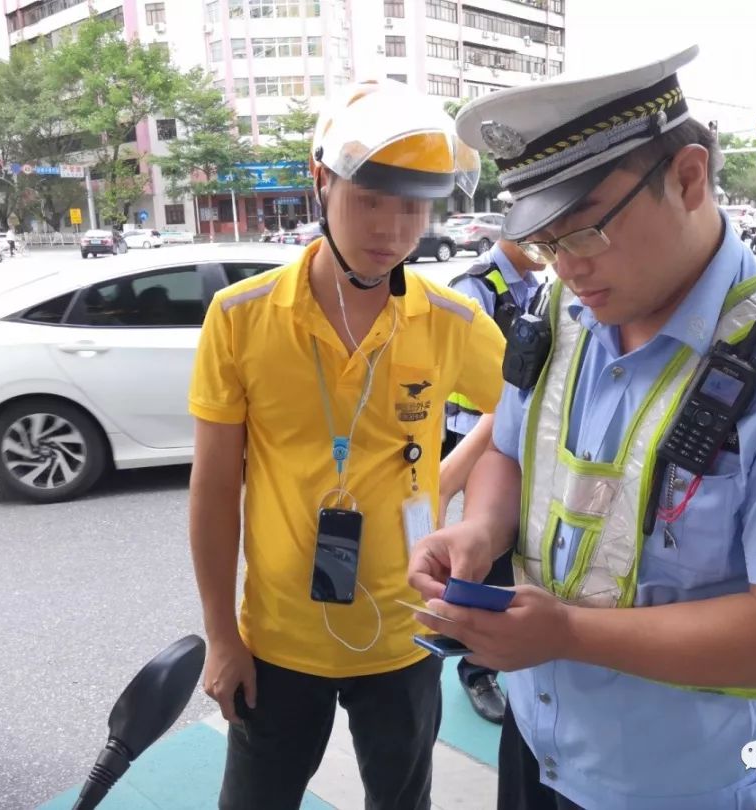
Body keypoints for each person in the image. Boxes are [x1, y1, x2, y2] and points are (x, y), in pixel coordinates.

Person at [407, 44, 756, 810]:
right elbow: (510, 453)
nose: (567, 266)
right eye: (546, 243)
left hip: (685, 784)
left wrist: (567, 635)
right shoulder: (559, 317)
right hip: (540, 741)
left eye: (585, 230)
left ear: (687, 177)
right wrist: (479, 532)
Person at [187, 79, 506, 810]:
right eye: (371, 199)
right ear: (321, 180)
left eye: (413, 207)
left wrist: (453, 473)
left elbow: (529, 407)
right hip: (276, 639)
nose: (393, 230)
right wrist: (221, 635)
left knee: (401, 800)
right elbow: (212, 491)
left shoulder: (451, 322)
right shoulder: (240, 318)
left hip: (408, 629)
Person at [441, 202, 546, 724]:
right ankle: (476, 670)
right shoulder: (475, 288)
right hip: (476, 443)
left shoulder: (545, 289)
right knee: (486, 558)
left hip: (529, 443)